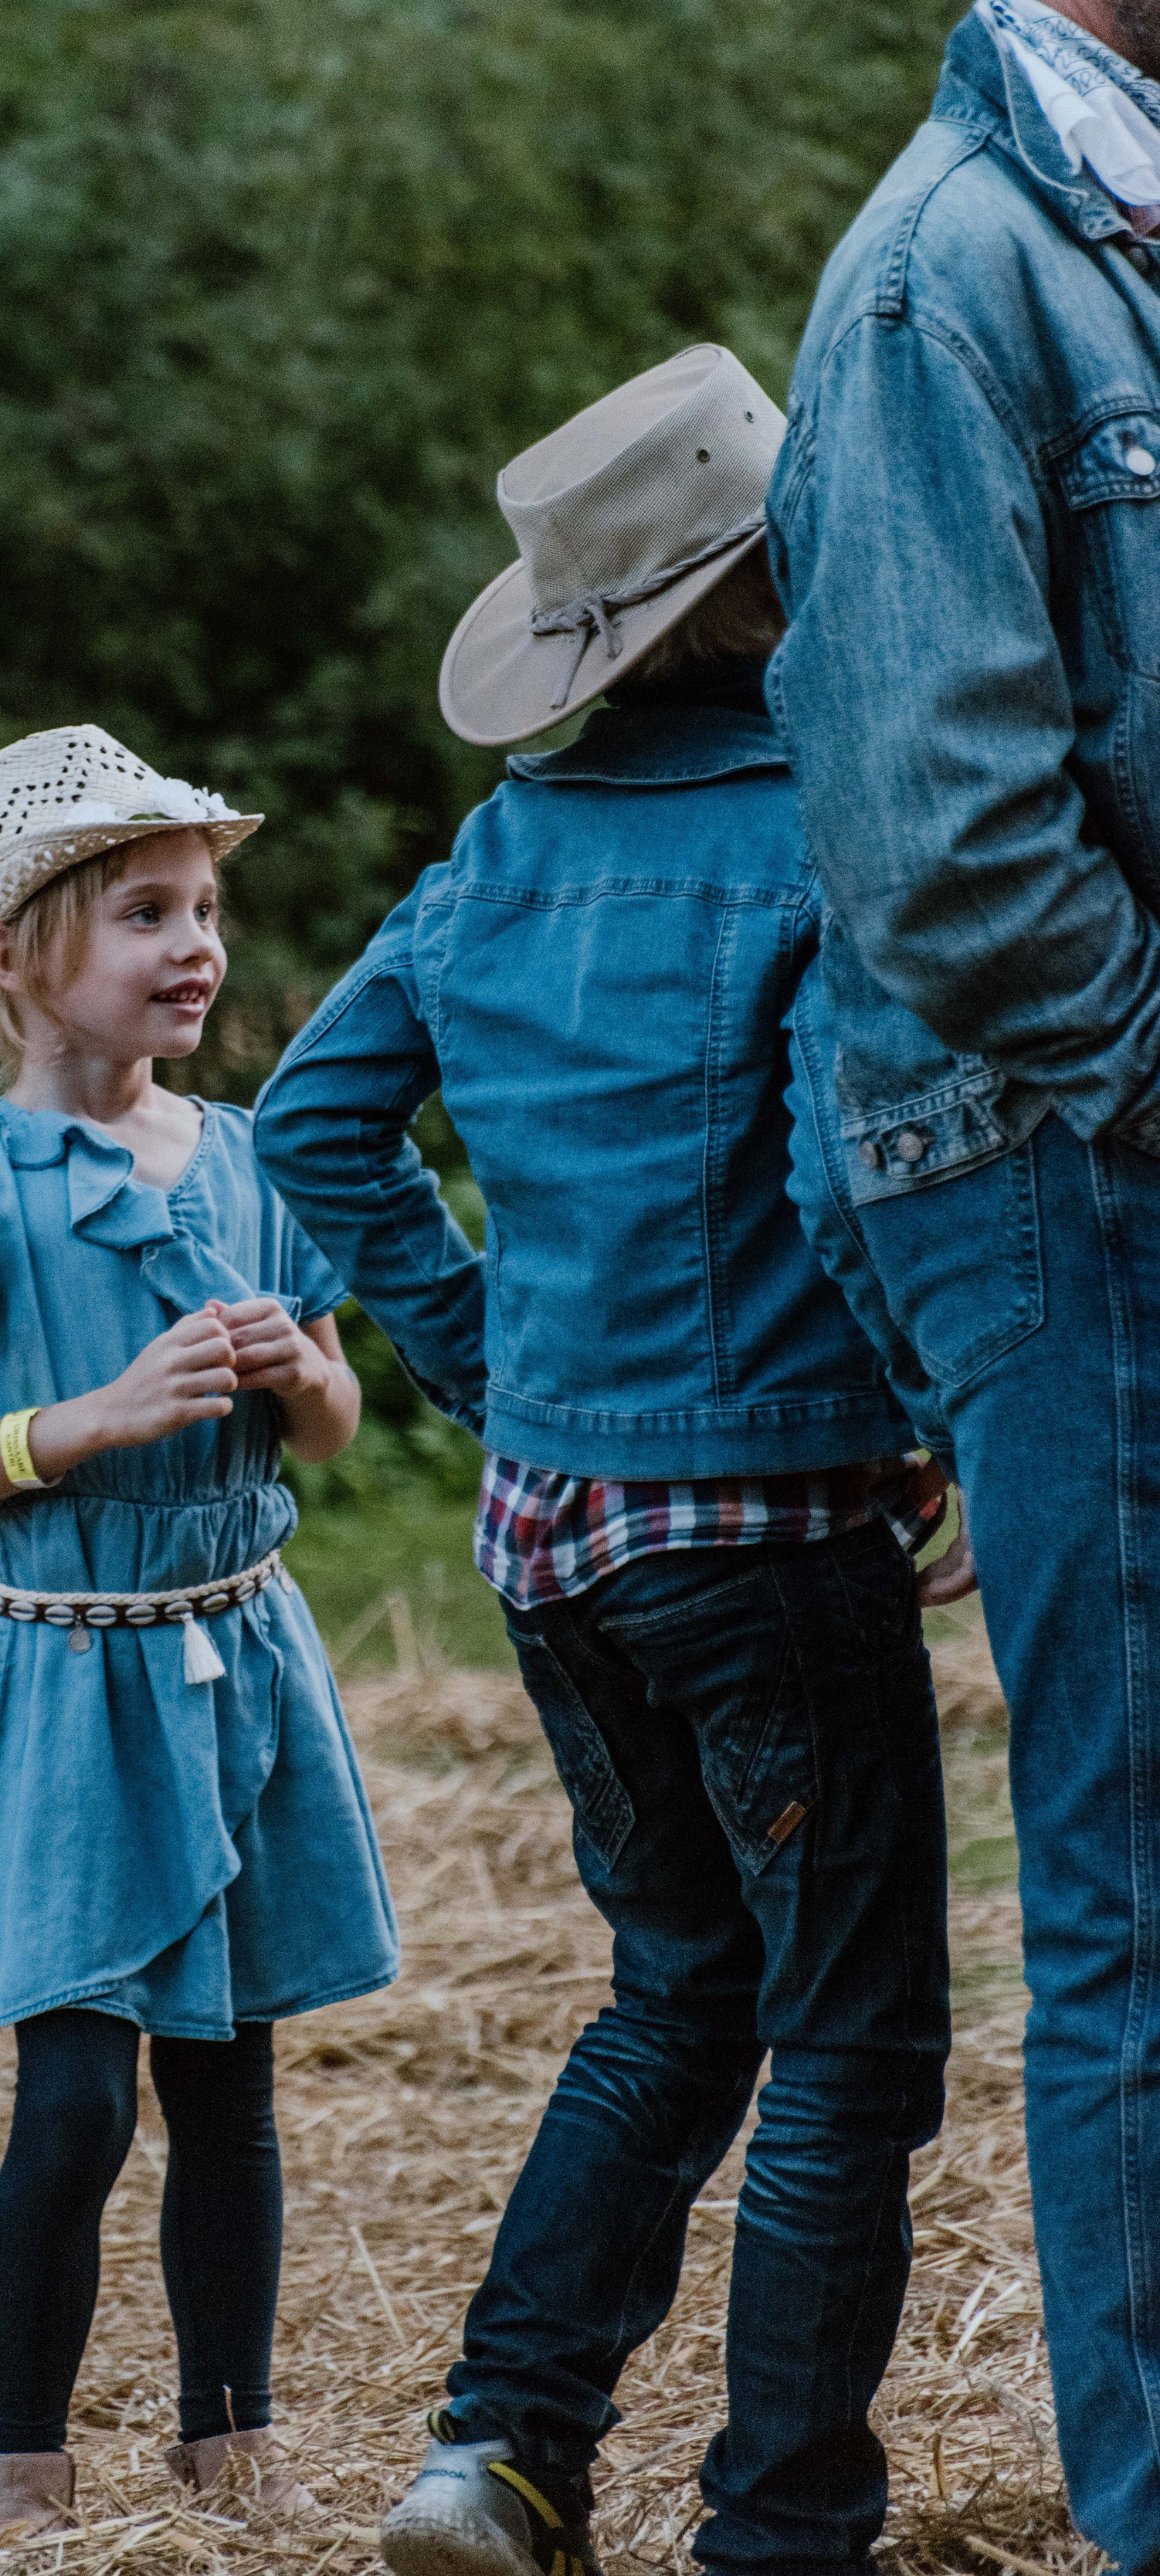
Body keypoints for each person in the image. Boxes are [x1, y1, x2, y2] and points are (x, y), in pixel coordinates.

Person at [253, 348, 958, 2576]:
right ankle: (779, 2523)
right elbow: (841, 1185)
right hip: (768, 1524)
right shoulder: (821, 825)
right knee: (851, 2041)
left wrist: (489, 1363)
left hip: (555, 1534)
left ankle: (501, 2449)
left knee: (680, 1984)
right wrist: (919, 1414)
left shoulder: (510, 840)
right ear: (782, 583)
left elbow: (313, 1127)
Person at [766, 0, 1160, 2562]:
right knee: (1142, 1892)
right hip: (1067, 1166)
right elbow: (947, 845)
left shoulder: (1131, 234)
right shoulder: (945, 272)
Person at [0, 722, 399, 2547]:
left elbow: (325, 1429)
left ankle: (226, 2446)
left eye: (202, 909)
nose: (194, 947)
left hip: (240, 1652)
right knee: (76, 2092)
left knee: (230, 2084)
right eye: (142, 913)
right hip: (77, 1674)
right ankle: (17, 2460)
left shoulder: (247, 1159)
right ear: (15, 957)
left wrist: (297, 1371)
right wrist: (86, 1418)